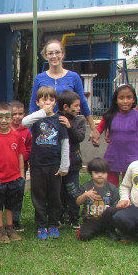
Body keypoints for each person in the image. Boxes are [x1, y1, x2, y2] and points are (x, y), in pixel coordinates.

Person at [21, 86, 70, 240]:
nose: (47, 102)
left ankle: (54, 223)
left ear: (55, 102)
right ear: (38, 102)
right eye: (44, 99)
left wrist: (64, 166)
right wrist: (42, 112)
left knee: (54, 196)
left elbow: (65, 143)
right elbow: (24, 123)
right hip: (37, 164)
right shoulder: (36, 118)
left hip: (55, 165)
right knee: (39, 195)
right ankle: (42, 225)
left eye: (51, 99)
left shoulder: (60, 120)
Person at [28, 40, 96, 129]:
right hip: (45, 127)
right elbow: (33, 105)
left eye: (57, 52)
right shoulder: (39, 78)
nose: (54, 56)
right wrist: (30, 132)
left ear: (63, 54)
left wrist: (93, 128)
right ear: (45, 56)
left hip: (67, 126)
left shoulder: (74, 77)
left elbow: (82, 102)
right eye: (50, 53)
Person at [89, 84, 138, 186]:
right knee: (111, 189)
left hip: (133, 157)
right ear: (116, 100)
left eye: (129, 97)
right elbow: (99, 130)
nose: (125, 101)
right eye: (121, 98)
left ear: (134, 100)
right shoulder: (109, 115)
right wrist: (94, 138)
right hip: (113, 157)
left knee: (130, 187)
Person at [0, 102, 26, 244]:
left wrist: (22, 174)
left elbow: (20, 154)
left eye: (7, 117)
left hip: (14, 178)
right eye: (0, 117)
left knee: (10, 204)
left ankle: (10, 228)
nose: (4, 120)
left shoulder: (17, 136)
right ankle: (0, 230)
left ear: (11, 118)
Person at [58, 90, 86, 230]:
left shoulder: (79, 121)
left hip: (73, 164)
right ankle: (61, 215)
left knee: (72, 190)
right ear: (65, 107)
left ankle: (75, 216)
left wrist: (69, 127)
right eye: (76, 105)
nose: (79, 108)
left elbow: (79, 137)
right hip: (57, 164)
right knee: (59, 191)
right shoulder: (55, 118)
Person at [76, 157, 120, 241]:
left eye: (103, 172)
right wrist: (85, 195)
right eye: (96, 172)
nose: (100, 175)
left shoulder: (112, 188)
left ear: (107, 173)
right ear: (91, 173)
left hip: (107, 220)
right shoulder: (86, 187)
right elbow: (78, 202)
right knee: (84, 237)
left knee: (112, 210)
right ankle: (96, 230)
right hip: (91, 219)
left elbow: (115, 206)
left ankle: (109, 230)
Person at [10, 100, 32, 231]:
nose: (17, 116)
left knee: (18, 196)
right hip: (5, 171)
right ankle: (0, 220)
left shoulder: (26, 132)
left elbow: (29, 149)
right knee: (4, 196)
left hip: (20, 171)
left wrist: (19, 159)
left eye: (20, 113)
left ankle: (15, 220)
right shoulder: (3, 129)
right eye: (14, 114)